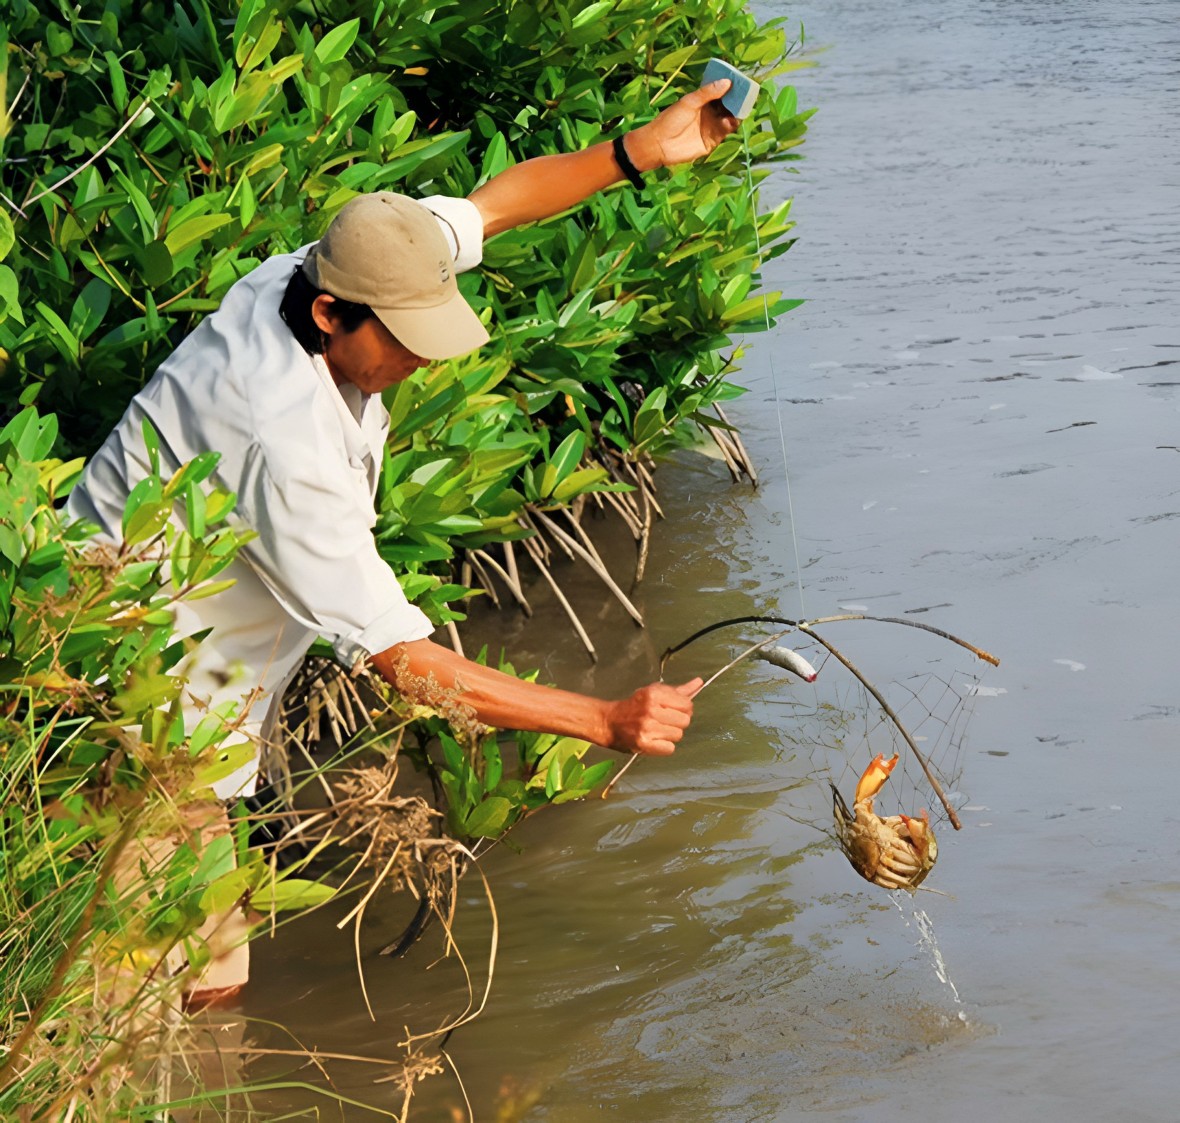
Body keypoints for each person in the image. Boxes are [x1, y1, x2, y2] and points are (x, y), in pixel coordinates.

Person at [69, 80, 738, 998]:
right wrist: (601, 719)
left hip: (197, 688)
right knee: (137, 1004)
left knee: (215, 980)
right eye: (405, 339)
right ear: (330, 316)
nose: (423, 358)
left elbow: (497, 204)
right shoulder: (277, 434)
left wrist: (637, 151)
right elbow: (399, 658)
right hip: (124, 704)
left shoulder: (351, 255)